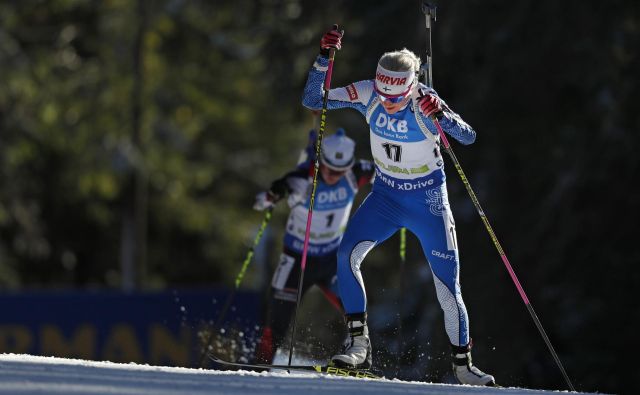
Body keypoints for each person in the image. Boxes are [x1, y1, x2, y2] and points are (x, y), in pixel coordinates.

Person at [300, 26, 495, 386]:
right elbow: (314, 100)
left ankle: (464, 367)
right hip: (386, 196)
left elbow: (468, 136)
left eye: (396, 97)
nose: (387, 102)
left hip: (427, 201)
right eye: (384, 94)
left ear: (410, 86)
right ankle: (358, 347)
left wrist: (443, 116)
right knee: (346, 256)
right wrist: (323, 58)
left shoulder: (424, 99)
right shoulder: (368, 92)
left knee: (448, 288)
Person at [252, 128, 375, 364]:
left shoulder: (355, 173)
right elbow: (274, 192)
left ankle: (361, 357)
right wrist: (271, 196)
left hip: (332, 259)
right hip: (297, 259)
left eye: (340, 171)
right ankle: (261, 365)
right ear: (321, 162)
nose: (333, 175)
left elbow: (387, 172)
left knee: (356, 310)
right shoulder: (302, 180)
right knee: (276, 318)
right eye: (329, 169)